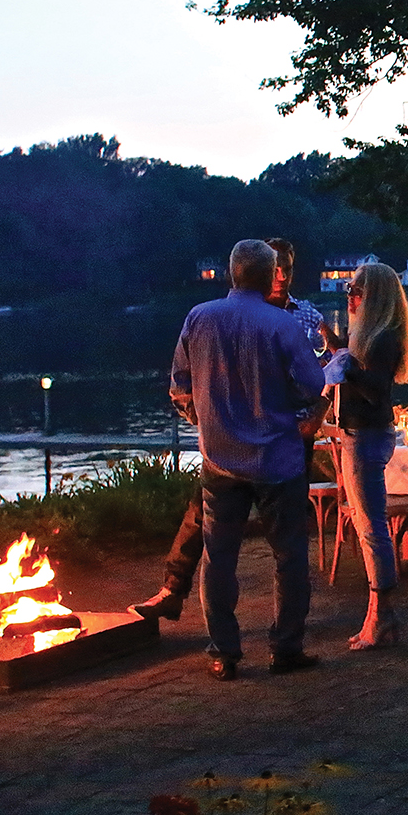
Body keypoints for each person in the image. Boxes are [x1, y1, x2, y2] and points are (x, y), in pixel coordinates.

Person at [134, 238, 326, 623]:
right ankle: (178, 591)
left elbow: (179, 383)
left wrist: (310, 413)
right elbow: (310, 384)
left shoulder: (301, 316)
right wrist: (207, 417)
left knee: (249, 548)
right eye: (276, 268)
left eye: (288, 268)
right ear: (264, 273)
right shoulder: (262, 322)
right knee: (222, 530)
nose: (282, 275)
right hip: (252, 446)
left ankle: (233, 642)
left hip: (273, 444)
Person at [327, 261, 408, 650]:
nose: (350, 297)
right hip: (361, 434)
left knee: (371, 527)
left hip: (365, 436)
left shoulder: (382, 339)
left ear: (374, 296)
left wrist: (346, 368)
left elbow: (375, 390)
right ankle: (378, 614)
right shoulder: (371, 336)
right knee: (369, 525)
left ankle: (381, 614)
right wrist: (336, 347)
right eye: (349, 290)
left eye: (356, 291)